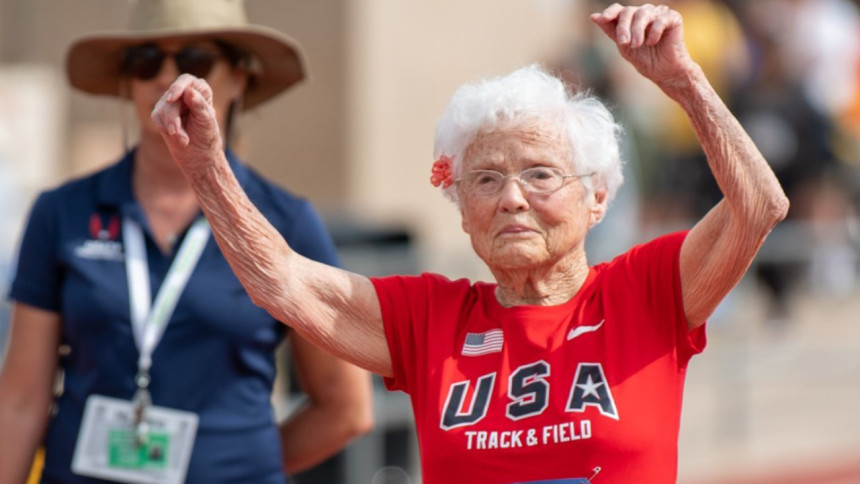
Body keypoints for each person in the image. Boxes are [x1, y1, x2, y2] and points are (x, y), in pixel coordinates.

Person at [151, 3, 788, 483]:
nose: (512, 197)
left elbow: (759, 204)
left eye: (540, 174)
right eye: (485, 179)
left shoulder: (644, 292)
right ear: (462, 211)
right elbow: (281, 281)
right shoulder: (430, 320)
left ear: (597, 197)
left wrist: (683, 83)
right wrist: (206, 166)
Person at [0, 1, 372, 483]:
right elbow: (21, 399)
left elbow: (346, 408)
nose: (168, 77)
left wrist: (239, 465)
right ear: (128, 82)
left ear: (240, 79)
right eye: (146, 60)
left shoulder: (286, 222)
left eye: (194, 59)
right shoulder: (62, 213)